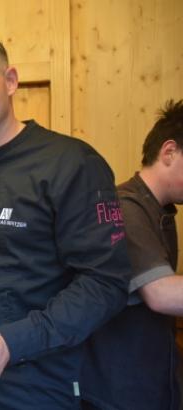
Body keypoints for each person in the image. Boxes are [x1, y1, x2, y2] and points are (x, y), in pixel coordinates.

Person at [0, 28, 132, 409]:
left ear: (10, 81)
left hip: (33, 384)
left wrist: (14, 341)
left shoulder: (71, 164)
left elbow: (105, 283)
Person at [81, 99, 183, 410]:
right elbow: (161, 294)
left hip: (149, 372)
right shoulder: (125, 207)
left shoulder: (160, 210)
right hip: (119, 386)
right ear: (169, 152)